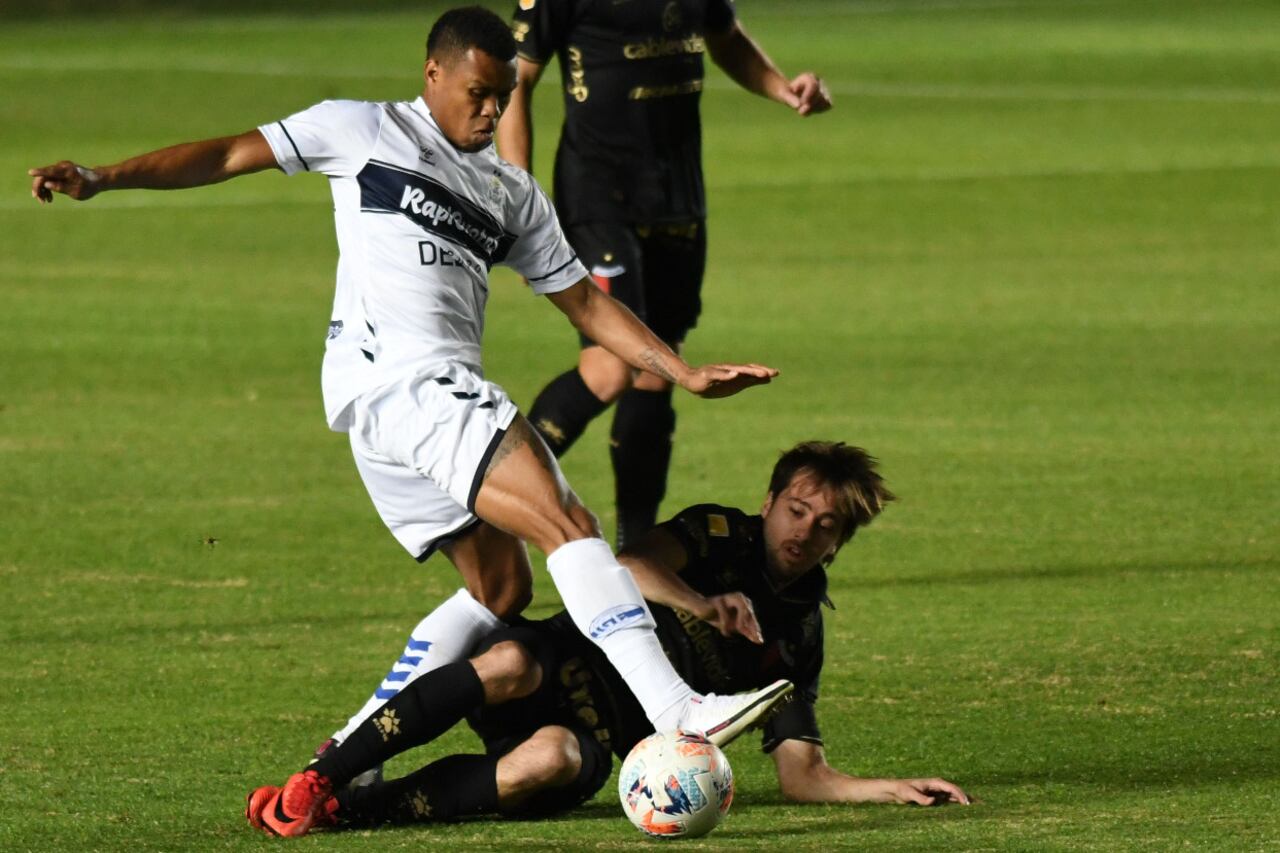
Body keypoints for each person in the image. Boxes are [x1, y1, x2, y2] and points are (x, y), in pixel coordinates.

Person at [28, 5, 794, 836]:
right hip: (413, 386)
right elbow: (225, 154)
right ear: (433, 74)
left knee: (502, 589)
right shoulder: (361, 131)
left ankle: (343, 755)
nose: (491, 112)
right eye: (478, 93)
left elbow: (583, 301)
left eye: (503, 97)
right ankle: (677, 706)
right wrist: (104, 176)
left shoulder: (511, 192)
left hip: (384, 413)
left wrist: (680, 369)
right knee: (569, 522)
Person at [246, 441, 970, 837]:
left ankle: (349, 812)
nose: (803, 530)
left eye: (825, 524)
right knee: (505, 659)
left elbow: (800, 774)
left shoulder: (799, 638)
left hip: (597, 735)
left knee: (548, 761)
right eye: (797, 508)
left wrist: (890, 790)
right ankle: (326, 775)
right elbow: (625, 565)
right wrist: (701, 602)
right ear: (770, 501)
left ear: (840, 542)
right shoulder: (719, 533)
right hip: (563, 657)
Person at [498, 0, 833, 549]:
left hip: (678, 199)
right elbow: (517, 80)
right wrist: (521, 205)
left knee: (659, 371)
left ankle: (636, 554)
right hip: (598, 197)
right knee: (610, 369)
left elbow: (726, 36)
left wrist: (782, 88)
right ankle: (491, 494)